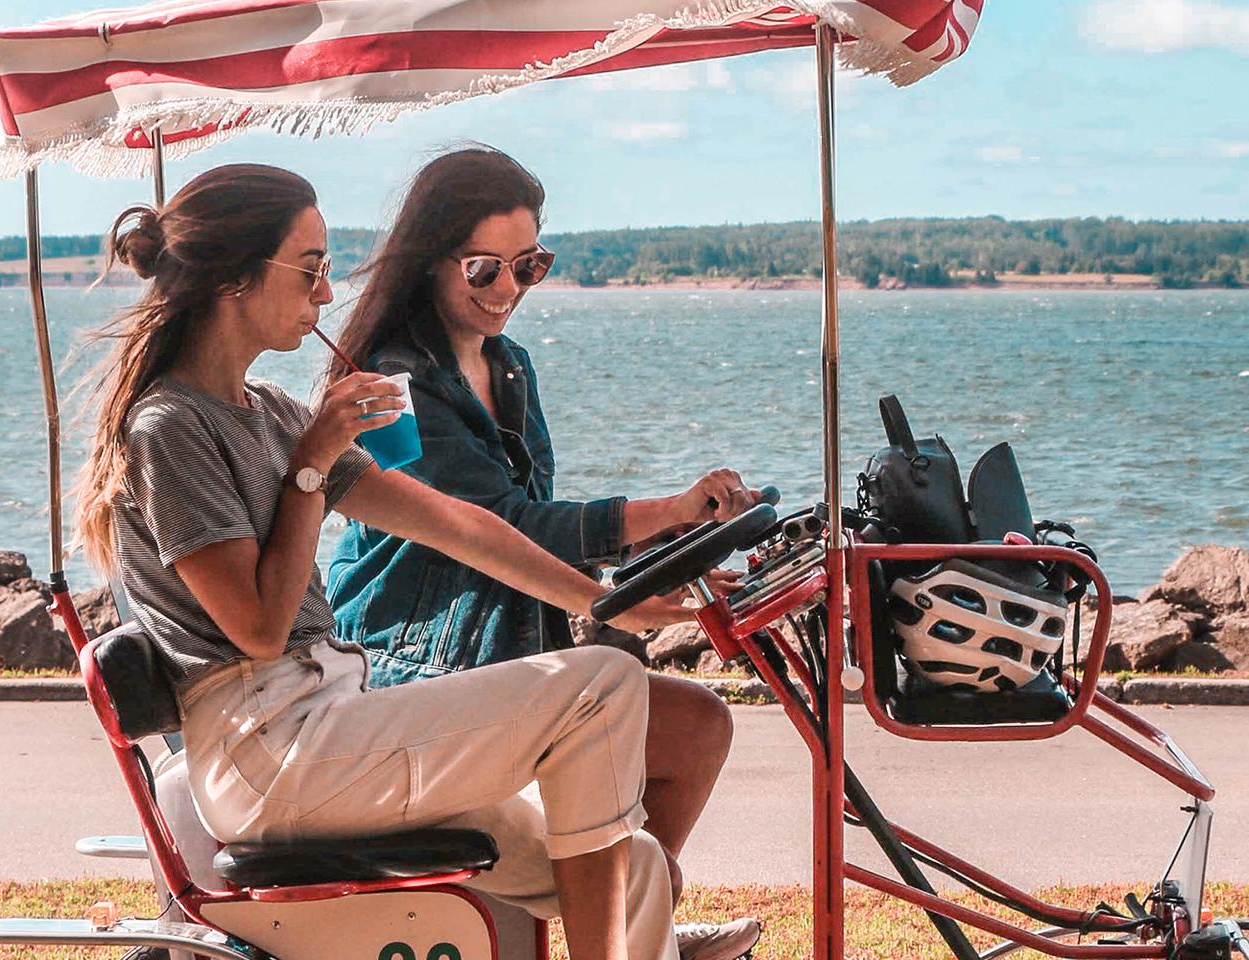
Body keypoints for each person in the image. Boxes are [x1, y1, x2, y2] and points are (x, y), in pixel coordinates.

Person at [71, 162, 693, 960]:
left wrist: (603, 603)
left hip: (330, 721)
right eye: (310, 269)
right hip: (269, 750)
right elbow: (258, 630)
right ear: (234, 277)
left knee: (636, 863)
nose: (326, 294)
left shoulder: (270, 412)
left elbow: (462, 527)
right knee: (603, 685)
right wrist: (309, 468)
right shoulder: (171, 428)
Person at [324, 146, 762, 960]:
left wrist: (673, 537)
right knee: (635, 696)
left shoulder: (510, 368)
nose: (508, 293)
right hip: (412, 669)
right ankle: (637, 930)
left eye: (530, 266)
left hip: (507, 654)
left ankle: (644, 922)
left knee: (698, 725)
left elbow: (540, 518)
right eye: (486, 269)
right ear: (430, 261)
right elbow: (496, 523)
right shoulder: (388, 383)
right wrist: (658, 516)